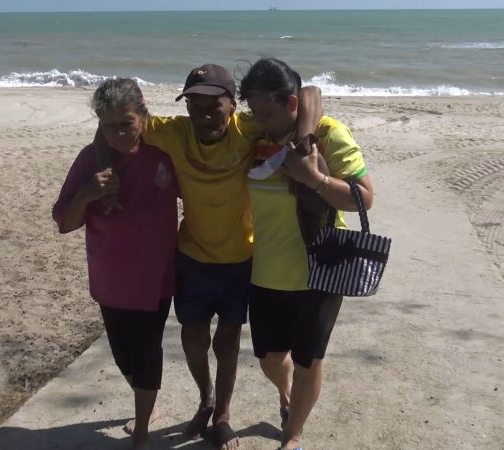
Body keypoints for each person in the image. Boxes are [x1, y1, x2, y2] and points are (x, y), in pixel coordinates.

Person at [94, 64, 323, 450]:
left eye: (213, 106)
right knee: (194, 340)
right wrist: (106, 174)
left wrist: (304, 140)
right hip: (192, 258)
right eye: (194, 106)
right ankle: (206, 399)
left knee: (227, 343)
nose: (203, 115)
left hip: (239, 259)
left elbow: (310, 94)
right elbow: (109, 123)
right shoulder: (173, 131)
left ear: (233, 104)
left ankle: (223, 417)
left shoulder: (249, 128)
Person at [238, 58, 374, 450]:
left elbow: (364, 198)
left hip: (321, 268)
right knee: (269, 358)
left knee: (308, 360)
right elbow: (311, 93)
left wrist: (314, 179)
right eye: (254, 112)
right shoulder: (255, 132)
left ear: (291, 104)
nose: (260, 122)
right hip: (266, 268)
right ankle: (287, 396)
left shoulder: (329, 134)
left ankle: (293, 433)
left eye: (267, 113)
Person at [52, 78, 178, 450]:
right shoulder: (90, 160)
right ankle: (146, 402)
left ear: (143, 117)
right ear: (99, 124)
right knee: (123, 355)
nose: (120, 133)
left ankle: (142, 432)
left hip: (156, 278)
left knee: (147, 351)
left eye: (127, 123)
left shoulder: (163, 153)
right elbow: (65, 223)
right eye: (110, 126)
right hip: (111, 279)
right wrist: (87, 193)